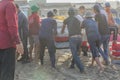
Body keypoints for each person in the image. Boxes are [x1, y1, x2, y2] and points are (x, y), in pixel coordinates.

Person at [0, 0, 23, 80]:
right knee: (7, 74)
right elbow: (12, 26)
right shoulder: (9, 4)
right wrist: (18, 42)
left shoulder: (1, 4)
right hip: (7, 44)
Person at [61, 7, 84, 73]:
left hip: (73, 38)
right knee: (76, 52)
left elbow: (62, 30)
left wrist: (62, 32)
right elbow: (80, 28)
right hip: (79, 38)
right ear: (74, 13)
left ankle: (81, 68)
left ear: (68, 13)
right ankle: (72, 65)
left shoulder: (66, 20)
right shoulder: (77, 19)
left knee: (74, 54)